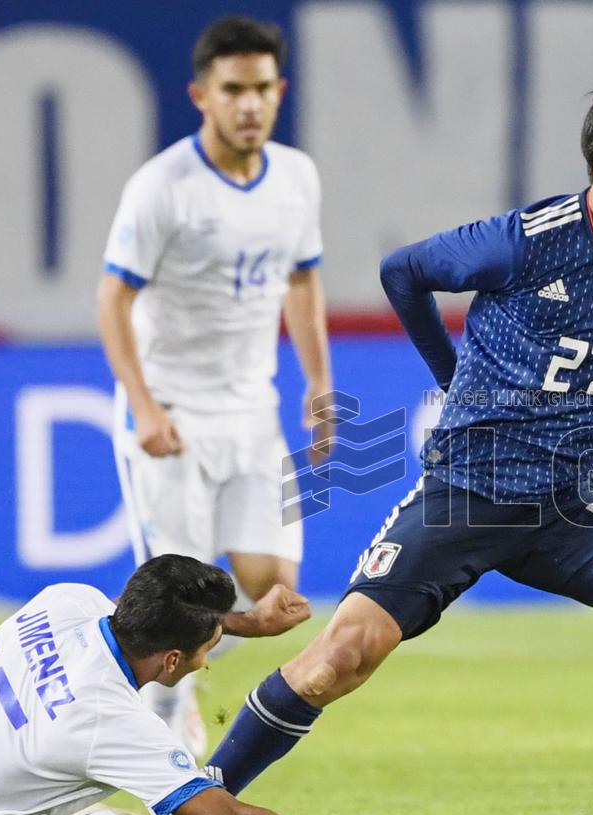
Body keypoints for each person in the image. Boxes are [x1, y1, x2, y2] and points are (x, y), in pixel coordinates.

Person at [199, 62, 593, 815]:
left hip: (571, 509)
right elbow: (404, 272)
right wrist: (449, 373)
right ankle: (188, 813)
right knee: (340, 657)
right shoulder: (525, 243)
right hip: (464, 495)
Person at [98, 16, 334, 755]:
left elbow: (302, 280)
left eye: (262, 88)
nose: (250, 104)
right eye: (234, 89)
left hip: (252, 413)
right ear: (202, 95)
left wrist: (319, 382)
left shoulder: (297, 177)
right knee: (179, 591)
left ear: (279, 91)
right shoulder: (163, 187)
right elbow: (113, 299)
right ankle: (162, 719)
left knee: (275, 599)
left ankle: (149, 658)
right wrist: (142, 405)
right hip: (172, 415)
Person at [0, 555, 465, 815]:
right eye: (211, 644)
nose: (213, 650)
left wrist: (251, 624)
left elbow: (137, 611)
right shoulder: (109, 721)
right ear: (174, 660)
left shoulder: (62, 602)